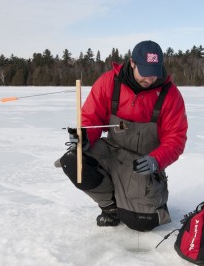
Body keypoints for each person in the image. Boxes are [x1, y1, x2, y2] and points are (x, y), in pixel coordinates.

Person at [58, 40, 188, 232]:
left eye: (154, 72)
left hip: (142, 163)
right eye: (145, 72)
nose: (150, 79)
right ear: (132, 63)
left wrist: (156, 160)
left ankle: (146, 201)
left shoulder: (170, 94)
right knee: (73, 160)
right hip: (111, 153)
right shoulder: (109, 82)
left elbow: (176, 138)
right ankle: (109, 207)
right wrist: (84, 137)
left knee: (142, 223)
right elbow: (90, 119)